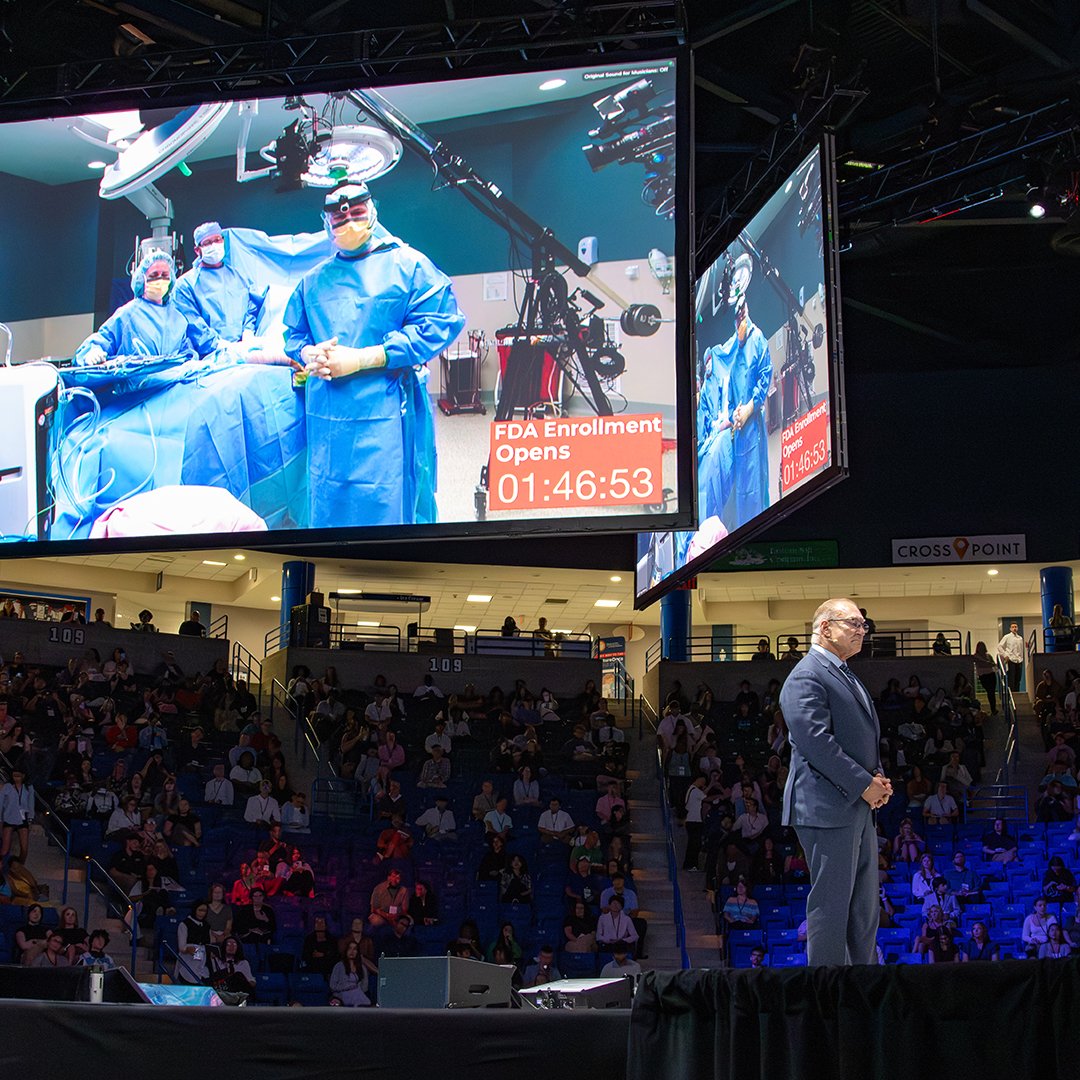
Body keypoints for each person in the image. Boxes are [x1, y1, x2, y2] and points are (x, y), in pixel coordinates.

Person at [283, 179, 465, 528]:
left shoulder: (407, 265)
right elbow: (293, 333)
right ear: (326, 223)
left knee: (384, 497)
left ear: (373, 211)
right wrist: (308, 351)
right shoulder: (314, 280)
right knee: (330, 494)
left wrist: (367, 357)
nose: (348, 219)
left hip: (384, 406)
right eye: (339, 215)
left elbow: (440, 322)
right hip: (328, 411)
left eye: (357, 211)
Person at [779, 597, 891, 966]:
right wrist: (864, 783)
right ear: (825, 628)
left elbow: (856, 738)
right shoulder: (806, 675)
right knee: (832, 904)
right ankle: (827, 995)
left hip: (854, 802)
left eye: (864, 624)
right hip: (826, 806)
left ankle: (862, 988)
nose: (862, 631)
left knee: (863, 909)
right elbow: (817, 743)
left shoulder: (843, 672)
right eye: (853, 624)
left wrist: (876, 779)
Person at [74, 248, 196, 365]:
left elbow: (187, 353)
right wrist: (92, 352)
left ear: (171, 280)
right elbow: (103, 339)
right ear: (142, 279)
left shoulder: (177, 318)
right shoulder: (129, 314)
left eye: (164, 275)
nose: (160, 279)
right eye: (154, 275)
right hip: (139, 384)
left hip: (171, 383)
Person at [171, 221, 268, 358]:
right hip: (209, 357)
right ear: (197, 250)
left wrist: (248, 333)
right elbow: (192, 324)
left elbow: (251, 307)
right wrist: (221, 345)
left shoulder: (240, 276)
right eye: (207, 243)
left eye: (217, 240)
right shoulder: (185, 285)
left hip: (244, 350)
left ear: (223, 241)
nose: (214, 246)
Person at [329, 939, 371, 1006]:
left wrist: (357, 990)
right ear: (346, 951)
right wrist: (346, 987)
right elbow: (332, 985)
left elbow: (365, 986)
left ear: (357, 952)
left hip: (358, 993)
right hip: (341, 994)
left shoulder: (362, 968)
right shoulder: (338, 966)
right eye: (349, 948)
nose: (352, 951)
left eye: (354, 949)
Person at [996, 621, 1024, 693]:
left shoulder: (1020, 638)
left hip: (1019, 660)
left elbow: (1020, 649)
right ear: (1010, 629)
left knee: (1018, 678)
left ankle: (1017, 692)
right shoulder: (1007, 637)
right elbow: (999, 646)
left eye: (1015, 627)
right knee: (1011, 678)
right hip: (1011, 659)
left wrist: (1021, 658)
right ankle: (1012, 693)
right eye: (1013, 627)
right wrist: (1005, 655)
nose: (1014, 628)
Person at [973, 641, 999, 715]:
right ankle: (993, 709)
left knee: (992, 692)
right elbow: (982, 664)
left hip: (991, 674)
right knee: (989, 691)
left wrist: (990, 664)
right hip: (983, 676)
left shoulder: (988, 655)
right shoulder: (976, 656)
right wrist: (989, 664)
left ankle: (993, 708)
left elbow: (993, 664)